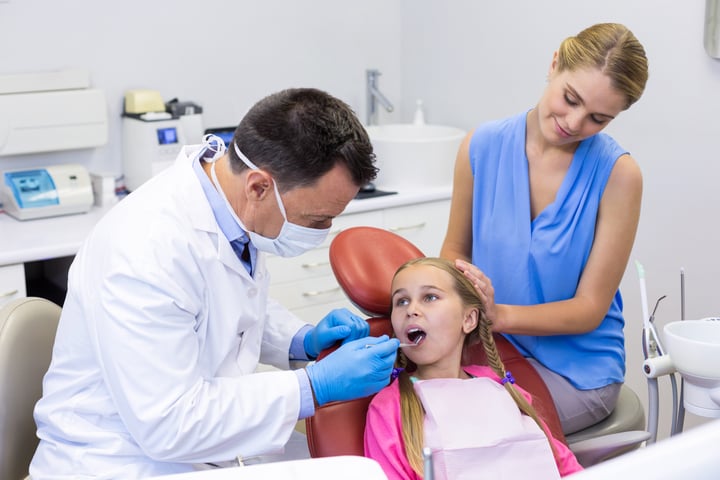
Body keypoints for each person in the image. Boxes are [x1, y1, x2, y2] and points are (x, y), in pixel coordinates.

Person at [29, 88, 400, 479]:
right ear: (259, 186)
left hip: (198, 444)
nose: (323, 231)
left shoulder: (230, 208)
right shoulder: (144, 250)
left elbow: (223, 299)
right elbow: (169, 423)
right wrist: (312, 387)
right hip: (121, 460)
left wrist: (299, 340)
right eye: (317, 219)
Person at [440, 22, 649, 435]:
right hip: (489, 346)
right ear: (555, 63)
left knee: (468, 432)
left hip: (576, 370)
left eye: (598, 119)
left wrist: (498, 316)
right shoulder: (480, 147)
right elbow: (454, 251)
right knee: (405, 410)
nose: (573, 122)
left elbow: (589, 308)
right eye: (570, 99)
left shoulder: (619, 176)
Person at [364, 257, 582, 479]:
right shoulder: (389, 408)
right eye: (401, 301)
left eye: (430, 297)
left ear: (469, 319)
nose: (411, 310)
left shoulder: (500, 385)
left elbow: (563, 465)